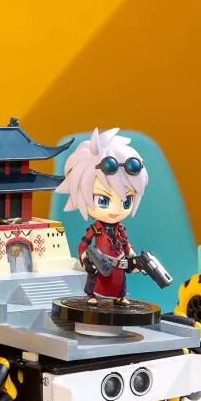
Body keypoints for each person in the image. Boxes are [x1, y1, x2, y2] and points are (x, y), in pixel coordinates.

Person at [56, 127, 150, 305]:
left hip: (118, 264)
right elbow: (83, 245)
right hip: (101, 264)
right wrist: (85, 259)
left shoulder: (120, 229)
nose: (115, 210)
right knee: (95, 279)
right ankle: (91, 295)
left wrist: (133, 258)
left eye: (126, 201)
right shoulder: (95, 228)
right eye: (103, 200)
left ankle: (121, 296)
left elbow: (126, 244)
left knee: (120, 281)